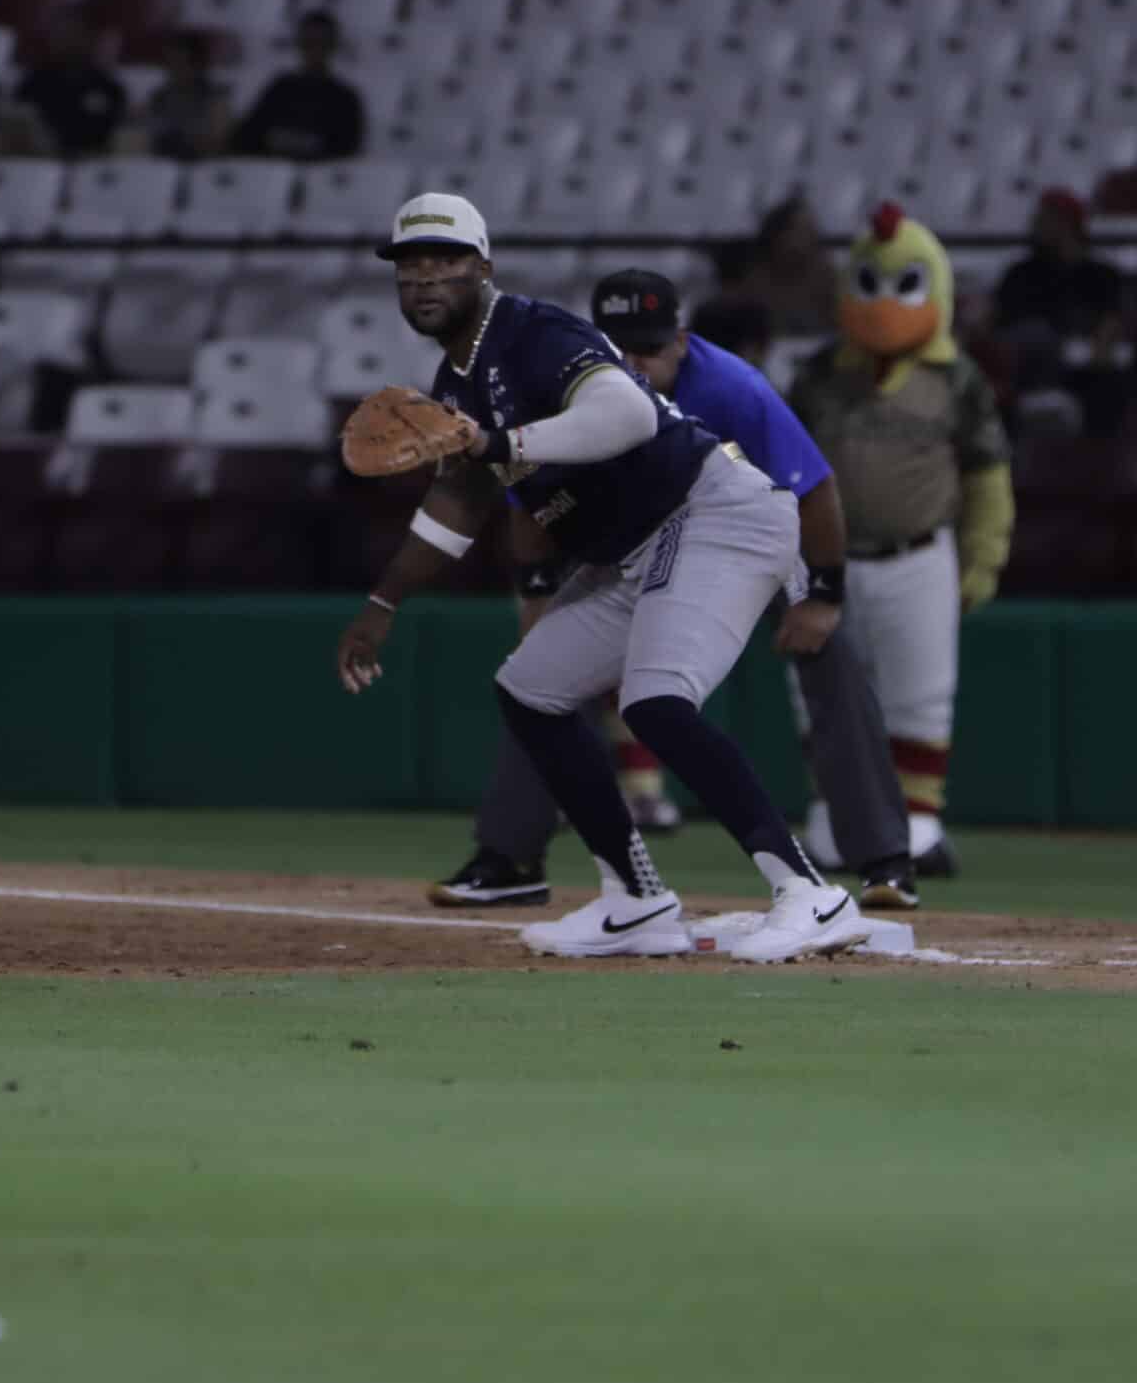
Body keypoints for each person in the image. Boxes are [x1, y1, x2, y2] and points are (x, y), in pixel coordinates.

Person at [335, 194, 870, 963]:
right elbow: (459, 500)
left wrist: (498, 439)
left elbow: (629, 416)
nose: (425, 279)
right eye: (410, 266)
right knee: (530, 689)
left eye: (445, 262)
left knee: (656, 702)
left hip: (715, 512)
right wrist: (383, 601)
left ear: (482, 269)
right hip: (629, 552)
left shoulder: (533, 333)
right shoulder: (454, 383)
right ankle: (636, 899)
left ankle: (810, 893)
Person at [435, 269, 921, 916]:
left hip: (754, 524)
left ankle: (885, 858)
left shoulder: (729, 385)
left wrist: (824, 593)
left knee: (829, 659)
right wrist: (536, 592)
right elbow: (530, 501)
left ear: (681, 343)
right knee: (540, 675)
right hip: (641, 545)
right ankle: (510, 853)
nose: (634, 362)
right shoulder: (573, 388)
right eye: (619, 349)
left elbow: (813, 486)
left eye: (649, 349)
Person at [790, 204, 1015, 880]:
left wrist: (984, 556)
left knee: (920, 694)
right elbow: (783, 463)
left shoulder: (958, 379)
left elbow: (988, 474)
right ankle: (836, 811)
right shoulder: (821, 373)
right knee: (821, 692)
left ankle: (918, 818)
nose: (884, 304)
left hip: (918, 554)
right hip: (826, 560)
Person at [992, 188, 1132, 433]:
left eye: (1044, 219)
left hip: (1083, 367)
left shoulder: (1103, 275)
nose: (1034, 225)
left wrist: (1101, 347)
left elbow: (1112, 321)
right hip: (1028, 370)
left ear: (1065, 224)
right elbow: (999, 323)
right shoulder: (1020, 274)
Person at [230, 9, 366, 161]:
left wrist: (304, 146)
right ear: (300, 43)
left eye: (321, 42)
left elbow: (347, 148)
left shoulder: (345, 98)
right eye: (309, 41)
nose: (314, 48)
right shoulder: (281, 88)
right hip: (272, 174)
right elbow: (246, 136)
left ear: (332, 45)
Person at [6, 10, 127, 158]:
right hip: (41, 161)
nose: (69, 41)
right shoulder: (33, 83)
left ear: (88, 38)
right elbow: (18, 127)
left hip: (93, 163)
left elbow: (118, 135)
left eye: (75, 34)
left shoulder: (109, 88)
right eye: (62, 35)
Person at [729, 195, 841, 338]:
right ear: (778, 237)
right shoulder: (754, 282)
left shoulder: (827, 277)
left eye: (811, 231)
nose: (809, 238)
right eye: (800, 231)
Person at [140, 31, 233, 159]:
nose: (174, 69)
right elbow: (151, 139)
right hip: (164, 166)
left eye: (180, 63)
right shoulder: (159, 98)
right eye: (170, 63)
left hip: (205, 166)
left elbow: (219, 142)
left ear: (197, 65)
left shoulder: (216, 97)